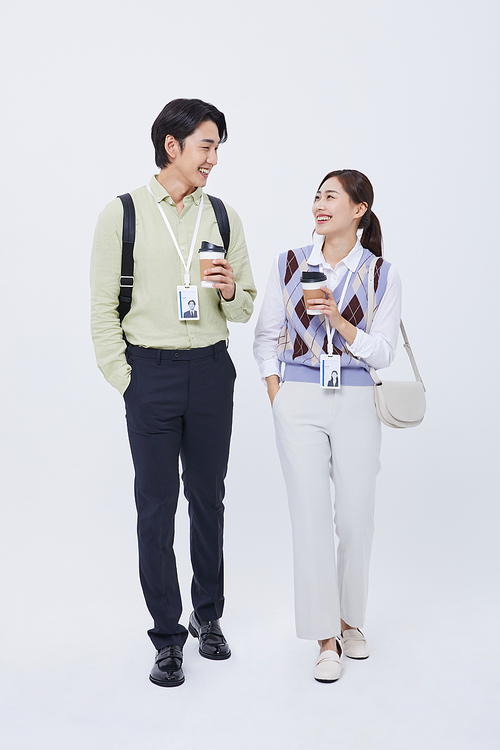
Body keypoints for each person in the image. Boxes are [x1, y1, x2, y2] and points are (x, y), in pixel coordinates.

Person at [91, 98, 256, 688]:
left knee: (208, 499)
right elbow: (102, 311)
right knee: (156, 508)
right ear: (173, 147)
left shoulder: (226, 218)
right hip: (150, 375)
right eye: (206, 146)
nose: (214, 158)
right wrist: (127, 380)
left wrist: (232, 288)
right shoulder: (122, 215)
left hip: (212, 370)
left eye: (217, 148)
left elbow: (245, 307)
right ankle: (167, 637)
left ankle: (207, 617)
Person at [254, 169, 401, 683]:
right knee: (311, 517)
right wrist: (277, 393)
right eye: (316, 196)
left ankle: (349, 619)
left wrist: (339, 321)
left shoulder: (380, 273)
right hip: (298, 399)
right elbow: (266, 335)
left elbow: (382, 351)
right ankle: (325, 637)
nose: (319, 205)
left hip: (356, 397)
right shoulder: (290, 263)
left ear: (359, 209)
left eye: (331, 197)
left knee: (357, 517)